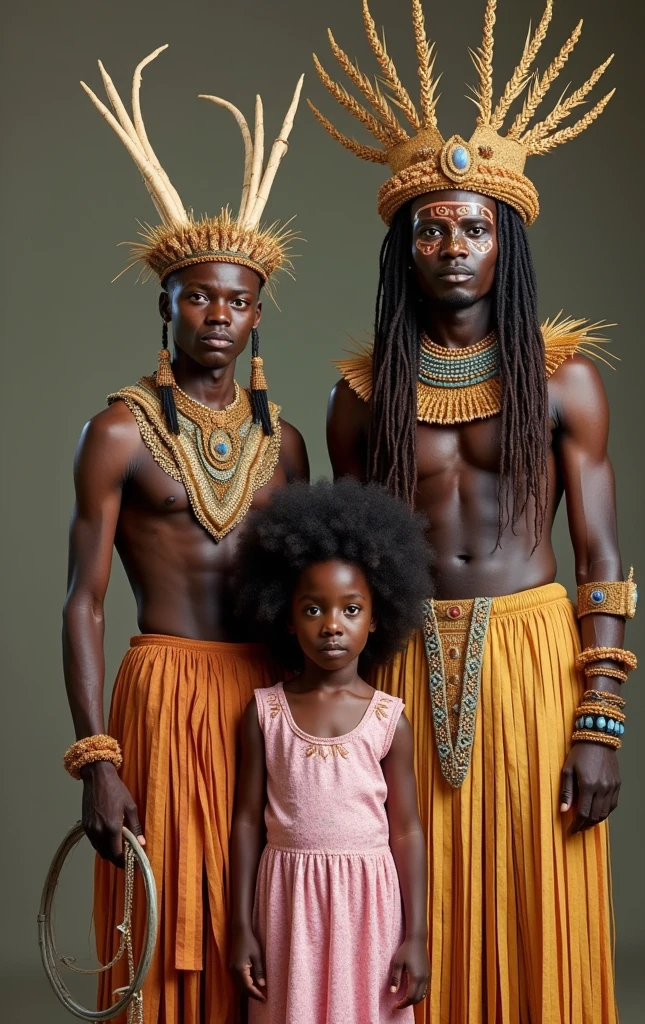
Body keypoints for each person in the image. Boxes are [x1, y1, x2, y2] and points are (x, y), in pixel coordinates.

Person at [311, 2, 637, 1022]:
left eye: (473, 226)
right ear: (403, 248)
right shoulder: (362, 396)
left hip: (535, 658)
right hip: (403, 665)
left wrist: (599, 718)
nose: (451, 243)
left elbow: (598, 551)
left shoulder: (564, 381)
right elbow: (352, 567)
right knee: (406, 899)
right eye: (430, 228)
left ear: (505, 244)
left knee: (535, 891)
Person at [62, 46, 308, 1023]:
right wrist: (98, 757)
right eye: (199, 295)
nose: (218, 312)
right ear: (165, 302)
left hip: (265, 694)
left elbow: (321, 587)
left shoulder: (284, 441)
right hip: (162, 690)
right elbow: (81, 598)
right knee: (168, 929)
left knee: (269, 922)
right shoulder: (117, 430)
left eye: (237, 299)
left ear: (256, 313)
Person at [229, 479, 433, 1023]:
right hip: (288, 904)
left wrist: (417, 934)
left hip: (369, 906)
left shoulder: (389, 719)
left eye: (350, 608)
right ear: (287, 617)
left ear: (376, 617)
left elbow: (407, 828)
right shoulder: (265, 713)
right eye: (313, 609)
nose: (331, 625)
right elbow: (247, 822)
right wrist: (240, 924)